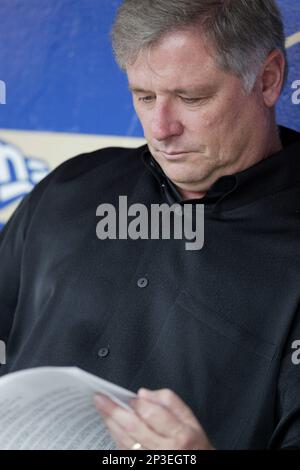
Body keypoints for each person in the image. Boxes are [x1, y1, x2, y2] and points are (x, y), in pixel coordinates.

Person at [0, 0, 300, 450]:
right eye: (144, 96)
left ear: (269, 79)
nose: (160, 128)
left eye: (191, 98)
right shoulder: (72, 188)